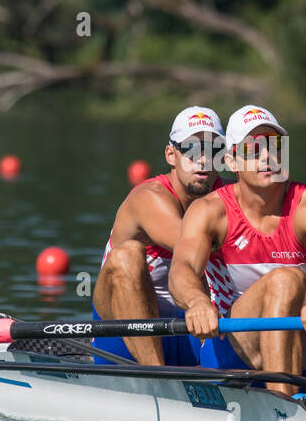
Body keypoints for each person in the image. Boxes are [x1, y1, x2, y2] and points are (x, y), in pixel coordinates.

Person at [168, 105, 306, 395]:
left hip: (300, 339)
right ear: (231, 161)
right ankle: (281, 398)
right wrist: (197, 303)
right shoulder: (210, 211)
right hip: (232, 348)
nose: (267, 157)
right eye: (254, 148)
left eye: (274, 146)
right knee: (286, 279)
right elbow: (182, 268)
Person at [91, 107, 227, 365]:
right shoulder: (149, 198)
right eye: (191, 149)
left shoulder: (229, 195)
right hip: (122, 333)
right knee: (127, 256)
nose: (202, 160)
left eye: (212, 150)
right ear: (170, 155)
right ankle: (156, 377)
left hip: (190, 328)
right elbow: (190, 244)